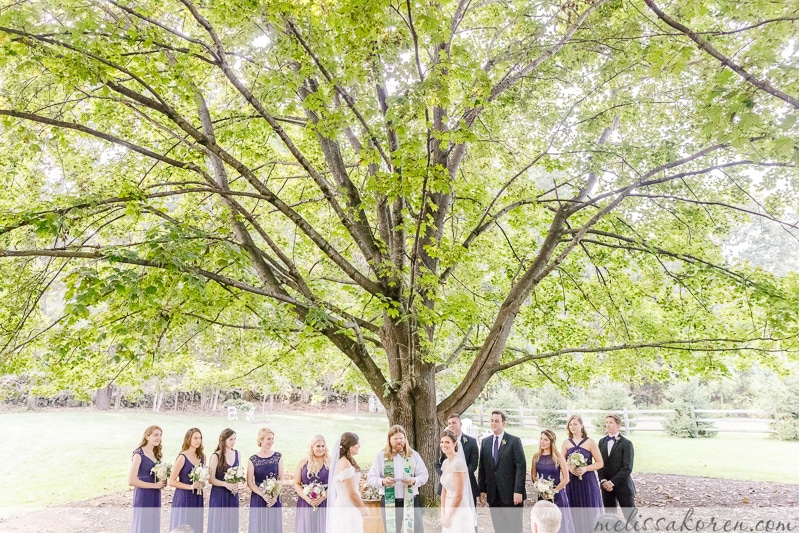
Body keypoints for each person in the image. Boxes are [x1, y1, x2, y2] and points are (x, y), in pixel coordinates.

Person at [367, 425, 429, 533]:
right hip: (390, 501)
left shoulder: (413, 455)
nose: (399, 441)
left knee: (416, 530)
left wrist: (414, 480)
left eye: (401, 438)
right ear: (389, 440)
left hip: (410, 500)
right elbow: (371, 478)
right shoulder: (381, 456)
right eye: (395, 439)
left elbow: (424, 475)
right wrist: (383, 481)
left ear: (405, 438)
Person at [477, 410, 527, 533]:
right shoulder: (485, 442)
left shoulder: (514, 441)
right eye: (492, 420)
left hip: (511, 495)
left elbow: (521, 466)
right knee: (499, 528)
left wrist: (518, 491)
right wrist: (482, 489)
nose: (494, 423)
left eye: (497, 421)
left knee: (514, 528)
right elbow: (482, 467)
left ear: (503, 423)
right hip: (493, 494)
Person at [561, 415, 604, 533]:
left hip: (588, 481)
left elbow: (600, 463)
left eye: (575, 424)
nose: (572, 427)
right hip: (572, 482)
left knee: (589, 508)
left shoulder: (590, 442)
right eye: (570, 425)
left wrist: (586, 468)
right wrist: (569, 468)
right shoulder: (566, 443)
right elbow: (562, 462)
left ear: (581, 425)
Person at [531, 430, 573, 533]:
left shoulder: (558, 457)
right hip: (542, 496)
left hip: (557, 495)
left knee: (559, 524)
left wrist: (552, 492)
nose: (542, 442)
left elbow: (566, 478)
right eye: (541, 439)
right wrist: (540, 488)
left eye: (545, 439)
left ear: (551, 442)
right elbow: (533, 476)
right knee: (543, 523)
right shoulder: (536, 456)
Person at [326, 432, 367, 533]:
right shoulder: (345, 464)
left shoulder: (346, 461)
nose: (359, 446)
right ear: (350, 446)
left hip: (349, 506)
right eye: (357, 443)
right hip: (347, 508)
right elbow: (351, 493)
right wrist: (362, 508)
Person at [597, 414, 636, 520]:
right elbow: (599, 463)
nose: (608, 425)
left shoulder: (626, 443)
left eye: (611, 422)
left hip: (623, 487)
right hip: (606, 488)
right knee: (610, 518)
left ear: (618, 425)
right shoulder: (602, 442)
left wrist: (612, 482)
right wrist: (604, 481)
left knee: (631, 518)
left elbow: (627, 468)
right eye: (606, 422)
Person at [128, 425, 166, 533]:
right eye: (155, 435)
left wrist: (162, 481)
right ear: (147, 436)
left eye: (160, 435)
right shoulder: (139, 454)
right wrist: (155, 485)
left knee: (153, 525)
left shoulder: (157, 454)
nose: (158, 438)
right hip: (143, 495)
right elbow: (131, 481)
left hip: (155, 495)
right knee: (143, 525)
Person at [439, 429, 477, 533]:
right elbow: (444, 489)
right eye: (442, 442)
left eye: (447, 442)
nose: (443, 445)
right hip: (447, 506)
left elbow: (459, 495)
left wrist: (449, 515)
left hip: (458, 508)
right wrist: (442, 511)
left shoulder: (458, 463)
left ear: (454, 444)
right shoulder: (445, 463)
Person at [169, 427, 207, 533]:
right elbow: (171, 481)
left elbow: (203, 476)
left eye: (200, 438)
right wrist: (190, 486)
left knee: (195, 526)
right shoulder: (182, 457)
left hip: (197, 497)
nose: (198, 441)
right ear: (188, 439)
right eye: (195, 438)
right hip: (183, 497)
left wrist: (202, 483)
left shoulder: (202, 457)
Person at [247, 427, 284, 533]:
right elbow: (250, 482)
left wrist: (275, 495)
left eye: (272, 439)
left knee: (273, 527)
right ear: (261, 440)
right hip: (259, 498)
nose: (271, 441)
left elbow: (281, 478)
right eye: (268, 439)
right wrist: (263, 495)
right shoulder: (252, 460)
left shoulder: (278, 456)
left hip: (274, 498)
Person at [436, 414, 478, 505]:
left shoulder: (472, 441)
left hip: (468, 483)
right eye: (449, 423)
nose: (451, 425)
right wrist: (447, 475)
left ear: (460, 424)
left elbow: (474, 464)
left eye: (454, 422)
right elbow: (437, 463)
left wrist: (461, 475)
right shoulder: (443, 442)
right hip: (448, 486)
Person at [293, 435, 329, 533]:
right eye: (318, 446)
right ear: (312, 447)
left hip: (324, 503)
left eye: (323, 446)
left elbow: (335, 485)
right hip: (305, 502)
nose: (321, 449)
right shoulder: (303, 462)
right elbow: (296, 483)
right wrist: (308, 499)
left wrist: (322, 498)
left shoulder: (330, 463)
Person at [207, 428, 240, 533]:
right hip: (219, 495)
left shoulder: (237, 454)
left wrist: (236, 485)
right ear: (223, 440)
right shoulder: (215, 456)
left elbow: (239, 473)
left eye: (235, 439)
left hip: (233, 495)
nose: (233, 442)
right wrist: (225, 484)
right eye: (231, 439)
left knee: (231, 523)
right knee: (219, 524)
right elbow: (211, 479)